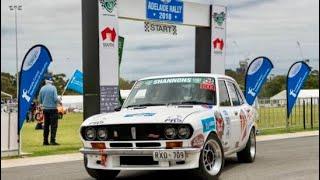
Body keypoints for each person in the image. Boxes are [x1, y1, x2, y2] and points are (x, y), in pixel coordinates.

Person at [38, 76, 62, 145]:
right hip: (53, 109)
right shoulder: (53, 88)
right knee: (53, 126)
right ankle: (52, 140)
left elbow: (40, 100)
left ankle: (45, 141)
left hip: (45, 110)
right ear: (51, 81)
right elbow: (55, 99)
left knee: (46, 126)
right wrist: (59, 100)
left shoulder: (42, 88)